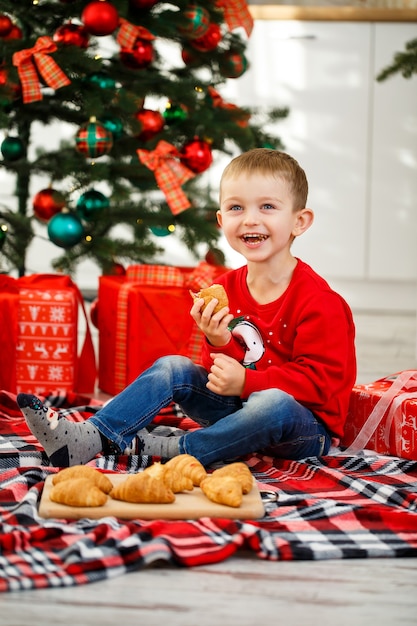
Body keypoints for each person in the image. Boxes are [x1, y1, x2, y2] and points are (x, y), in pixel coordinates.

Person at [17, 148, 357, 468]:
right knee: (173, 366)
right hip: (238, 411)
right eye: (237, 208)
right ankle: (91, 437)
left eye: (267, 207)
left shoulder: (319, 302)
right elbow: (216, 379)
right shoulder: (224, 288)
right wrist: (217, 339)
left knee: (274, 403)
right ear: (221, 220)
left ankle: (180, 450)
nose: (250, 220)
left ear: (300, 221)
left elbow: (320, 384)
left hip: (301, 428)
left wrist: (247, 383)